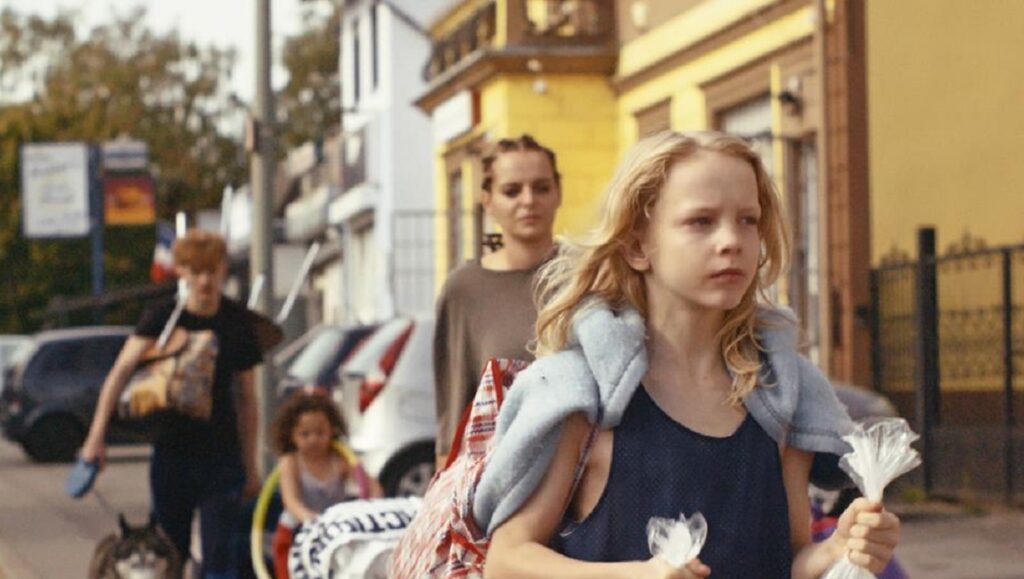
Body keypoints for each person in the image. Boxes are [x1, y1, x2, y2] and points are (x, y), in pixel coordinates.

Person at [474, 131, 902, 578]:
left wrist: (837, 550)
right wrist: (636, 576)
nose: (731, 240)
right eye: (701, 221)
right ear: (637, 246)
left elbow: (787, 562)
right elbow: (506, 561)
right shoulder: (584, 394)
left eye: (748, 220)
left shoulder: (780, 392)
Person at [81, 230, 263, 579]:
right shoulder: (163, 317)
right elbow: (119, 374)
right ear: (181, 271)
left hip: (222, 456)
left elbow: (247, 399)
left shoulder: (236, 324)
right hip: (172, 452)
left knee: (220, 556)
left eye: (212, 270)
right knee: (169, 552)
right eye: (196, 271)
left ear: (223, 269)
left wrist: (250, 464)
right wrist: (95, 438)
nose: (205, 280)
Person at [432, 134, 562, 465]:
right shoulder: (464, 290)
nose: (528, 200)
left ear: (558, 193)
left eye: (541, 188)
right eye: (512, 191)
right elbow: (453, 415)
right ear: (487, 200)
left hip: (593, 475)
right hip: (501, 476)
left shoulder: (592, 276)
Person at [269, 391, 381, 579]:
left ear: (332, 431)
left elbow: (373, 487)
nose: (313, 439)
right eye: (305, 434)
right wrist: (314, 521)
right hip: (296, 532)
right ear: (292, 436)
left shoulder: (340, 460)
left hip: (333, 533)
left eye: (320, 432)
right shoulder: (291, 462)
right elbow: (291, 501)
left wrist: (368, 510)